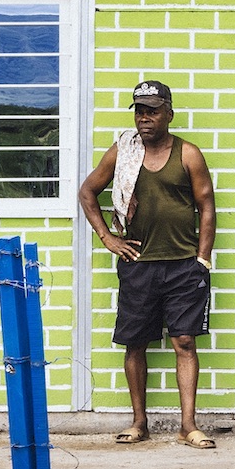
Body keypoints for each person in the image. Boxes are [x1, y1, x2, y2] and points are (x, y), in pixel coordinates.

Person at [77, 79, 218, 448]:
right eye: (140, 111)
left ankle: (188, 425)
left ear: (168, 114)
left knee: (184, 341)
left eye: (153, 111)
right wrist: (108, 238)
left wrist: (203, 258)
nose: (145, 118)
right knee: (135, 343)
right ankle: (139, 422)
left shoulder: (188, 154)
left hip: (184, 265)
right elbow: (88, 191)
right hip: (139, 265)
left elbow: (207, 207)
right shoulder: (122, 152)